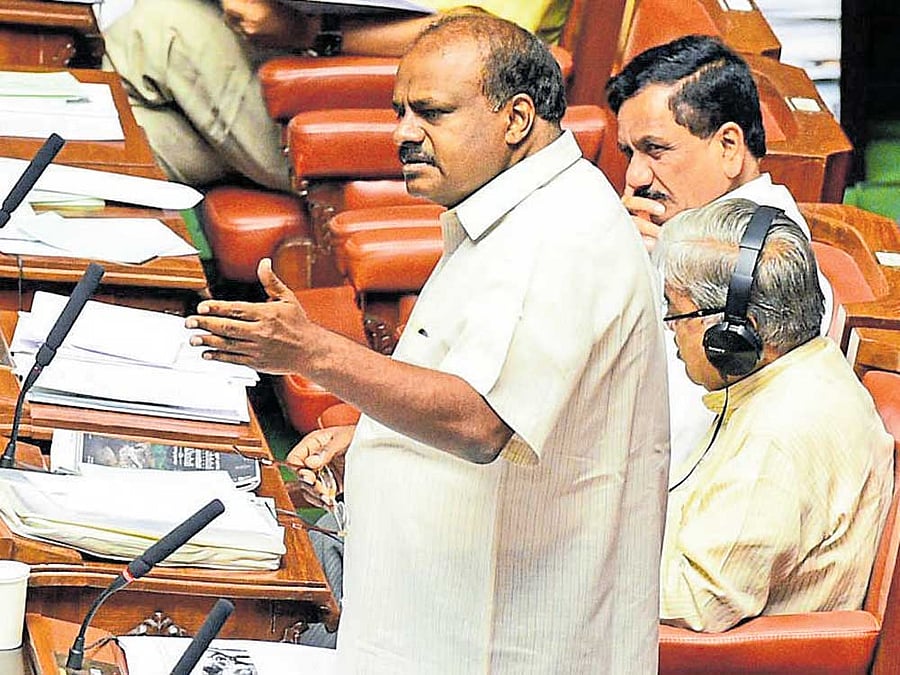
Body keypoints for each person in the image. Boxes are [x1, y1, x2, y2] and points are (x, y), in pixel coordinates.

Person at [186, 13, 669, 673]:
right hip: (438, 612)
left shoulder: (564, 236)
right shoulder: (512, 209)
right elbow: (489, 382)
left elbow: (480, 419)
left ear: (517, 118)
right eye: (400, 111)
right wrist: (373, 434)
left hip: (497, 638)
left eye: (432, 113)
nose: (404, 133)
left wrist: (312, 352)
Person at [654, 198, 893, 632]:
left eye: (677, 309)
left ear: (733, 333)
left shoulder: (780, 435)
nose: (670, 324)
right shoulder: (806, 369)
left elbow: (699, 601)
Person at [605, 34, 834, 468]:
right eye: (629, 153)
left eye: (656, 150)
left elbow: (672, 453)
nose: (635, 176)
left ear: (729, 147)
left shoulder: (758, 265)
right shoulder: (668, 238)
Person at [101, 0, 572, 191]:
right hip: (300, 65)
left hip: (363, 114)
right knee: (131, 138)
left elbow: (487, 38)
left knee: (156, 25)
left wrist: (310, 29)